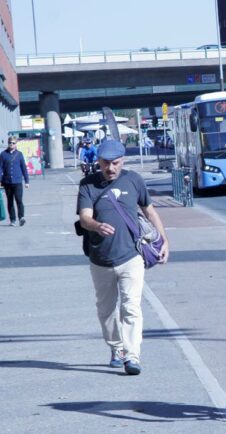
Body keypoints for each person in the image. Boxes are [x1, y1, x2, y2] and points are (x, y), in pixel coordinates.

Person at [77, 139, 170, 375]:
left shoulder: (134, 180)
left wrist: (164, 240)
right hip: (101, 259)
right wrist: (96, 226)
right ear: (98, 161)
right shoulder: (88, 185)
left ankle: (132, 355)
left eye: (115, 163)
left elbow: (149, 210)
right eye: (106, 163)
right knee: (105, 309)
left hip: (131, 257)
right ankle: (116, 347)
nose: (111, 168)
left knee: (131, 307)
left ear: (122, 161)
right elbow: (85, 217)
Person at [1, 136, 29, 227]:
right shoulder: (3, 154)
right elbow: (0, 168)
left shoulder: (19, 154)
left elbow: (24, 168)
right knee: (10, 201)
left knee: (19, 199)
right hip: (7, 182)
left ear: (16, 144)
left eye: (13, 143)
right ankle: (12, 219)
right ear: (8, 143)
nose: (11, 144)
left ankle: (21, 217)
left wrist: (27, 181)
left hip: (17, 181)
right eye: (10, 143)